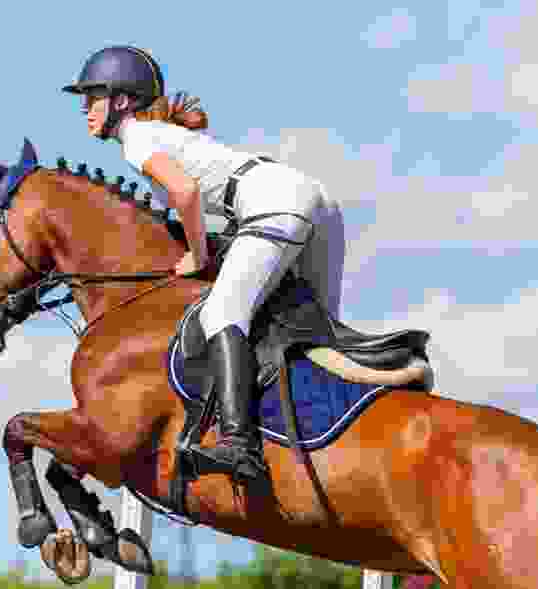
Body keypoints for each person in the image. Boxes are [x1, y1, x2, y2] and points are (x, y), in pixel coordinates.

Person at [63, 46, 346, 483]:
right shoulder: (160, 134)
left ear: (121, 100)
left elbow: (186, 193)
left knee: (220, 313)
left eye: (92, 97)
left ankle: (239, 445)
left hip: (275, 203)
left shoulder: (136, 140)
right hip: (313, 198)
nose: (85, 109)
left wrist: (197, 256)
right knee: (325, 335)